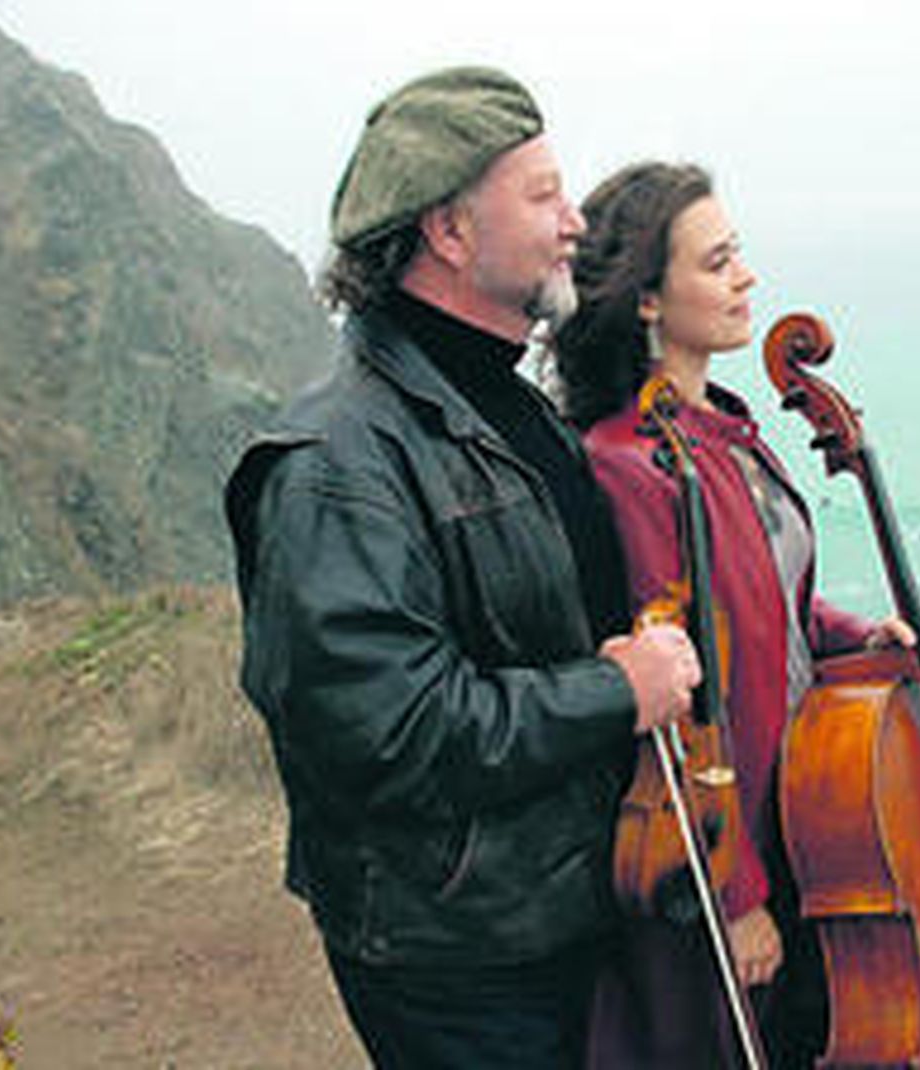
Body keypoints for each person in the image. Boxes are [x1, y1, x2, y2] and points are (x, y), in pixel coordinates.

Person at [223, 69, 701, 1069]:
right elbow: (390, 733)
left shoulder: (515, 412)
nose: (575, 221)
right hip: (460, 955)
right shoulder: (335, 463)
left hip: (560, 911)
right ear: (447, 230)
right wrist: (614, 688)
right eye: (541, 195)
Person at [554, 162, 920, 1068]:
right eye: (719, 261)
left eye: (739, 255)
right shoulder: (630, 463)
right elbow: (678, 702)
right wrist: (733, 896)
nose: (747, 278)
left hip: (793, 835)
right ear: (649, 300)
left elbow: (769, 603)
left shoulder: (726, 429)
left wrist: (864, 636)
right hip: (715, 861)